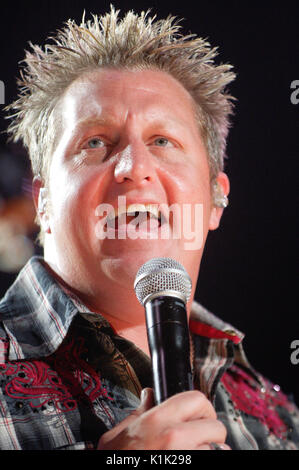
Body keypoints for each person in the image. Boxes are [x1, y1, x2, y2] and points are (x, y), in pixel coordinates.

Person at [0, 7, 298, 450]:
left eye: (163, 141)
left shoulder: (279, 422)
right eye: (95, 141)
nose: (134, 167)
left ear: (216, 199)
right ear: (42, 200)